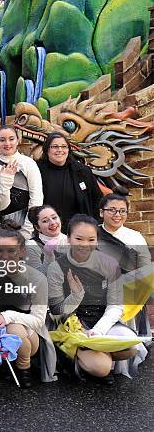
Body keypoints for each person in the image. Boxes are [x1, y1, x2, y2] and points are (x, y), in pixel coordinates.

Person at [47, 215, 145, 382]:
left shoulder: (109, 264)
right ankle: (72, 359)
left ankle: (96, 354)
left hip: (101, 322)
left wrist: (99, 330)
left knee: (131, 347)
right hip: (74, 324)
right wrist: (76, 297)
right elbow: (56, 311)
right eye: (79, 238)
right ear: (69, 238)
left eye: (91, 239)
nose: (85, 244)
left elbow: (116, 305)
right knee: (102, 368)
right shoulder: (57, 268)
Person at [0, 223, 57, 388]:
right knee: (12, 329)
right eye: (0, 251)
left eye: (11, 251)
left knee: (16, 329)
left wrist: (8, 316)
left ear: (22, 251)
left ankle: (24, 368)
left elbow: (38, 320)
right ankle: (7, 366)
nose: (5, 256)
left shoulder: (37, 279)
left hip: (31, 333)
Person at [97, 192, 151, 338]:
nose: (117, 214)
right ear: (101, 212)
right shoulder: (92, 235)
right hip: (97, 293)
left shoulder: (135, 236)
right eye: (112, 210)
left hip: (129, 292)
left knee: (126, 338)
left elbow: (146, 269)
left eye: (122, 211)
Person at [37, 133, 103, 232]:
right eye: (55, 147)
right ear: (47, 150)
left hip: (79, 229)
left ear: (68, 149)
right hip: (48, 230)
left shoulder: (82, 171)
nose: (60, 150)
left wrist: (96, 225)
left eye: (64, 146)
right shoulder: (36, 170)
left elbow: (97, 199)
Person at [0, 125, 43, 238]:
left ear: (18, 140)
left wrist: (27, 230)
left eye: (11, 139)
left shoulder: (28, 163)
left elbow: (36, 198)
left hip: (24, 224)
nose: (7, 143)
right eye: (2, 140)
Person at [25, 205, 68, 275]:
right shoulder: (31, 245)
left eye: (54, 217)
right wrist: (49, 257)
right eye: (45, 221)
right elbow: (38, 277)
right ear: (37, 227)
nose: (53, 223)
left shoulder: (68, 239)